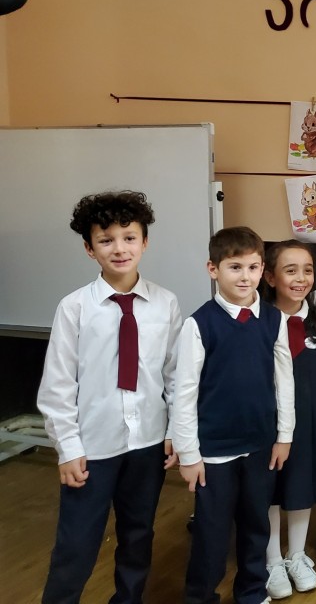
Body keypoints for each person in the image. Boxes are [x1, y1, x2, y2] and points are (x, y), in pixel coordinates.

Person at [37, 190, 182, 604]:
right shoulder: (74, 308)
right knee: (76, 544)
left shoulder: (166, 304)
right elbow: (58, 385)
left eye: (129, 237)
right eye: (106, 240)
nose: (119, 248)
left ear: (144, 242)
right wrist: (67, 447)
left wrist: (174, 431)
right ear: (89, 248)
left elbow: (175, 375)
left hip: (148, 443)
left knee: (138, 537)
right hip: (92, 447)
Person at [173, 226, 294, 604]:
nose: (245, 277)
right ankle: (200, 596)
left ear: (263, 270)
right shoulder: (199, 324)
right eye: (235, 267)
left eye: (253, 267)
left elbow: (284, 382)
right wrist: (188, 454)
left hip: (260, 444)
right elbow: (184, 393)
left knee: (256, 524)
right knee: (211, 532)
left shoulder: (274, 319)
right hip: (214, 450)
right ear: (213, 269)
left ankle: (252, 591)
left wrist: (284, 435)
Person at [262, 241, 316, 599]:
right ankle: (272, 559)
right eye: (290, 270)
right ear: (270, 277)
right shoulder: (259, 318)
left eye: (307, 270)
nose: (300, 278)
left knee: (301, 486)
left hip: (308, 419)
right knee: (270, 489)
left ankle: (296, 555)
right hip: (269, 421)